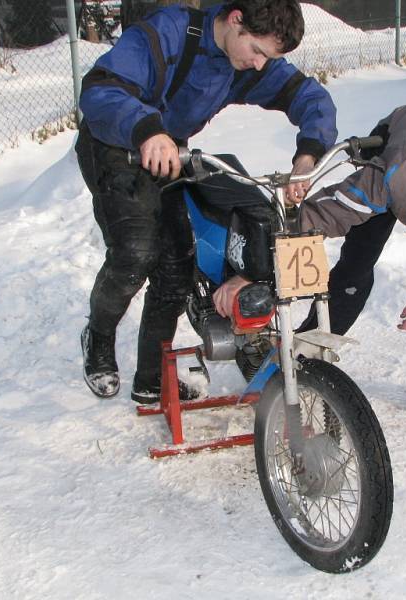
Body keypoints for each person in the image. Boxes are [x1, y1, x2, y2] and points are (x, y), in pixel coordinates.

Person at [75, 0, 338, 403]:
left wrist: (308, 152)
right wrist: (147, 131)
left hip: (168, 152)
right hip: (115, 142)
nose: (258, 66)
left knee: (177, 268)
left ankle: (151, 379)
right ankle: (99, 334)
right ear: (236, 21)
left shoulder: (243, 61)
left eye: (268, 59)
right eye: (258, 52)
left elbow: (309, 97)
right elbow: (100, 89)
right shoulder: (171, 32)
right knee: (135, 252)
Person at [216, 103, 406, 423]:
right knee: (357, 264)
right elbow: (327, 212)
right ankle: (303, 356)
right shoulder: (397, 175)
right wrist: (258, 264)